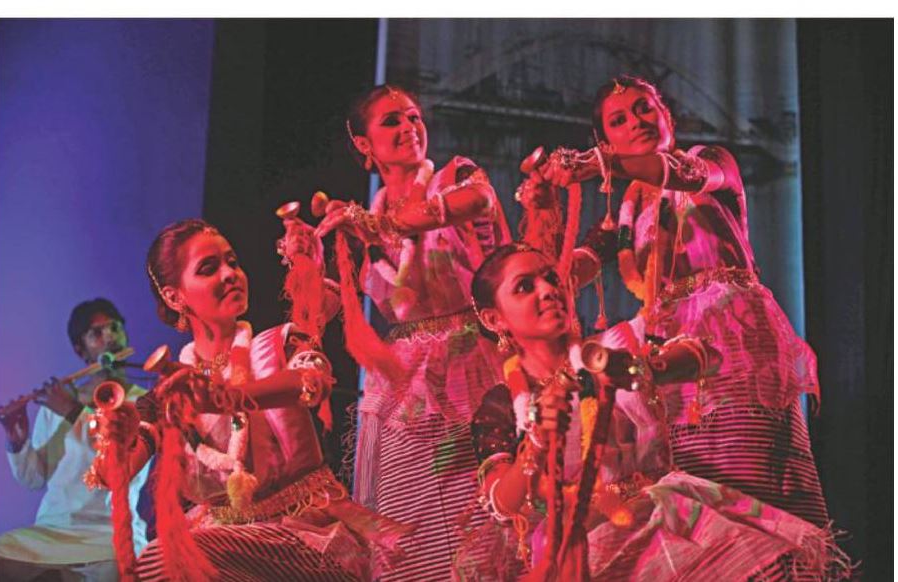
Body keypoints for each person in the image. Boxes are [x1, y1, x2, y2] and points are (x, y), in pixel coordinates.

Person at [529, 75, 831, 529]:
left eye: (644, 108)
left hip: (736, 344)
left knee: (756, 489)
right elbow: (571, 272)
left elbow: (683, 175)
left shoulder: (710, 163)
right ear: (605, 138)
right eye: (618, 120)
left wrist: (597, 164)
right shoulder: (626, 211)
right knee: (699, 503)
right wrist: (542, 209)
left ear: (666, 115)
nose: (636, 121)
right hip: (670, 358)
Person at [456, 244, 849, 580]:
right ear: (494, 319)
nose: (547, 291)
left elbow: (705, 356)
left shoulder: (616, 345)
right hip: (582, 550)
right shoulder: (503, 403)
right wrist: (537, 443)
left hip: (667, 521)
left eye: (551, 278)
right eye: (525, 287)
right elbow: (501, 502)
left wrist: (639, 368)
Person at [93, 219, 410, 581]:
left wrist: (224, 398)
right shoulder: (171, 392)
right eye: (209, 268)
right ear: (174, 297)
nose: (230, 274)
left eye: (232, 262)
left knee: (175, 556)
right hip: (223, 544)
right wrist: (115, 435)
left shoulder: (278, 345)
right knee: (163, 561)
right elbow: (115, 473)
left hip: (302, 539)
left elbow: (310, 382)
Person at [313, 84, 512, 580]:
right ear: (364, 145)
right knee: (408, 514)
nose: (408, 128)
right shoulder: (366, 217)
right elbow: (348, 302)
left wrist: (379, 225)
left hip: (468, 363)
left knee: (473, 503)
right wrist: (307, 258)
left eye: (414, 117)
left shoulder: (452, 177)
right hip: (402, 382)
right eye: (392, 121)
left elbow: (480, 199)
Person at [0, 298, 152, 581]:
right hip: (52, 531)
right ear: (81, 350)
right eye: (96, 333)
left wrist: (73, 411)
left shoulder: (143, 402)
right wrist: (17, 441)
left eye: (115, 328)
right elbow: (34, 479)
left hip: (109, 534)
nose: (110, 337)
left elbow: (121, 464)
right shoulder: (56, 403)